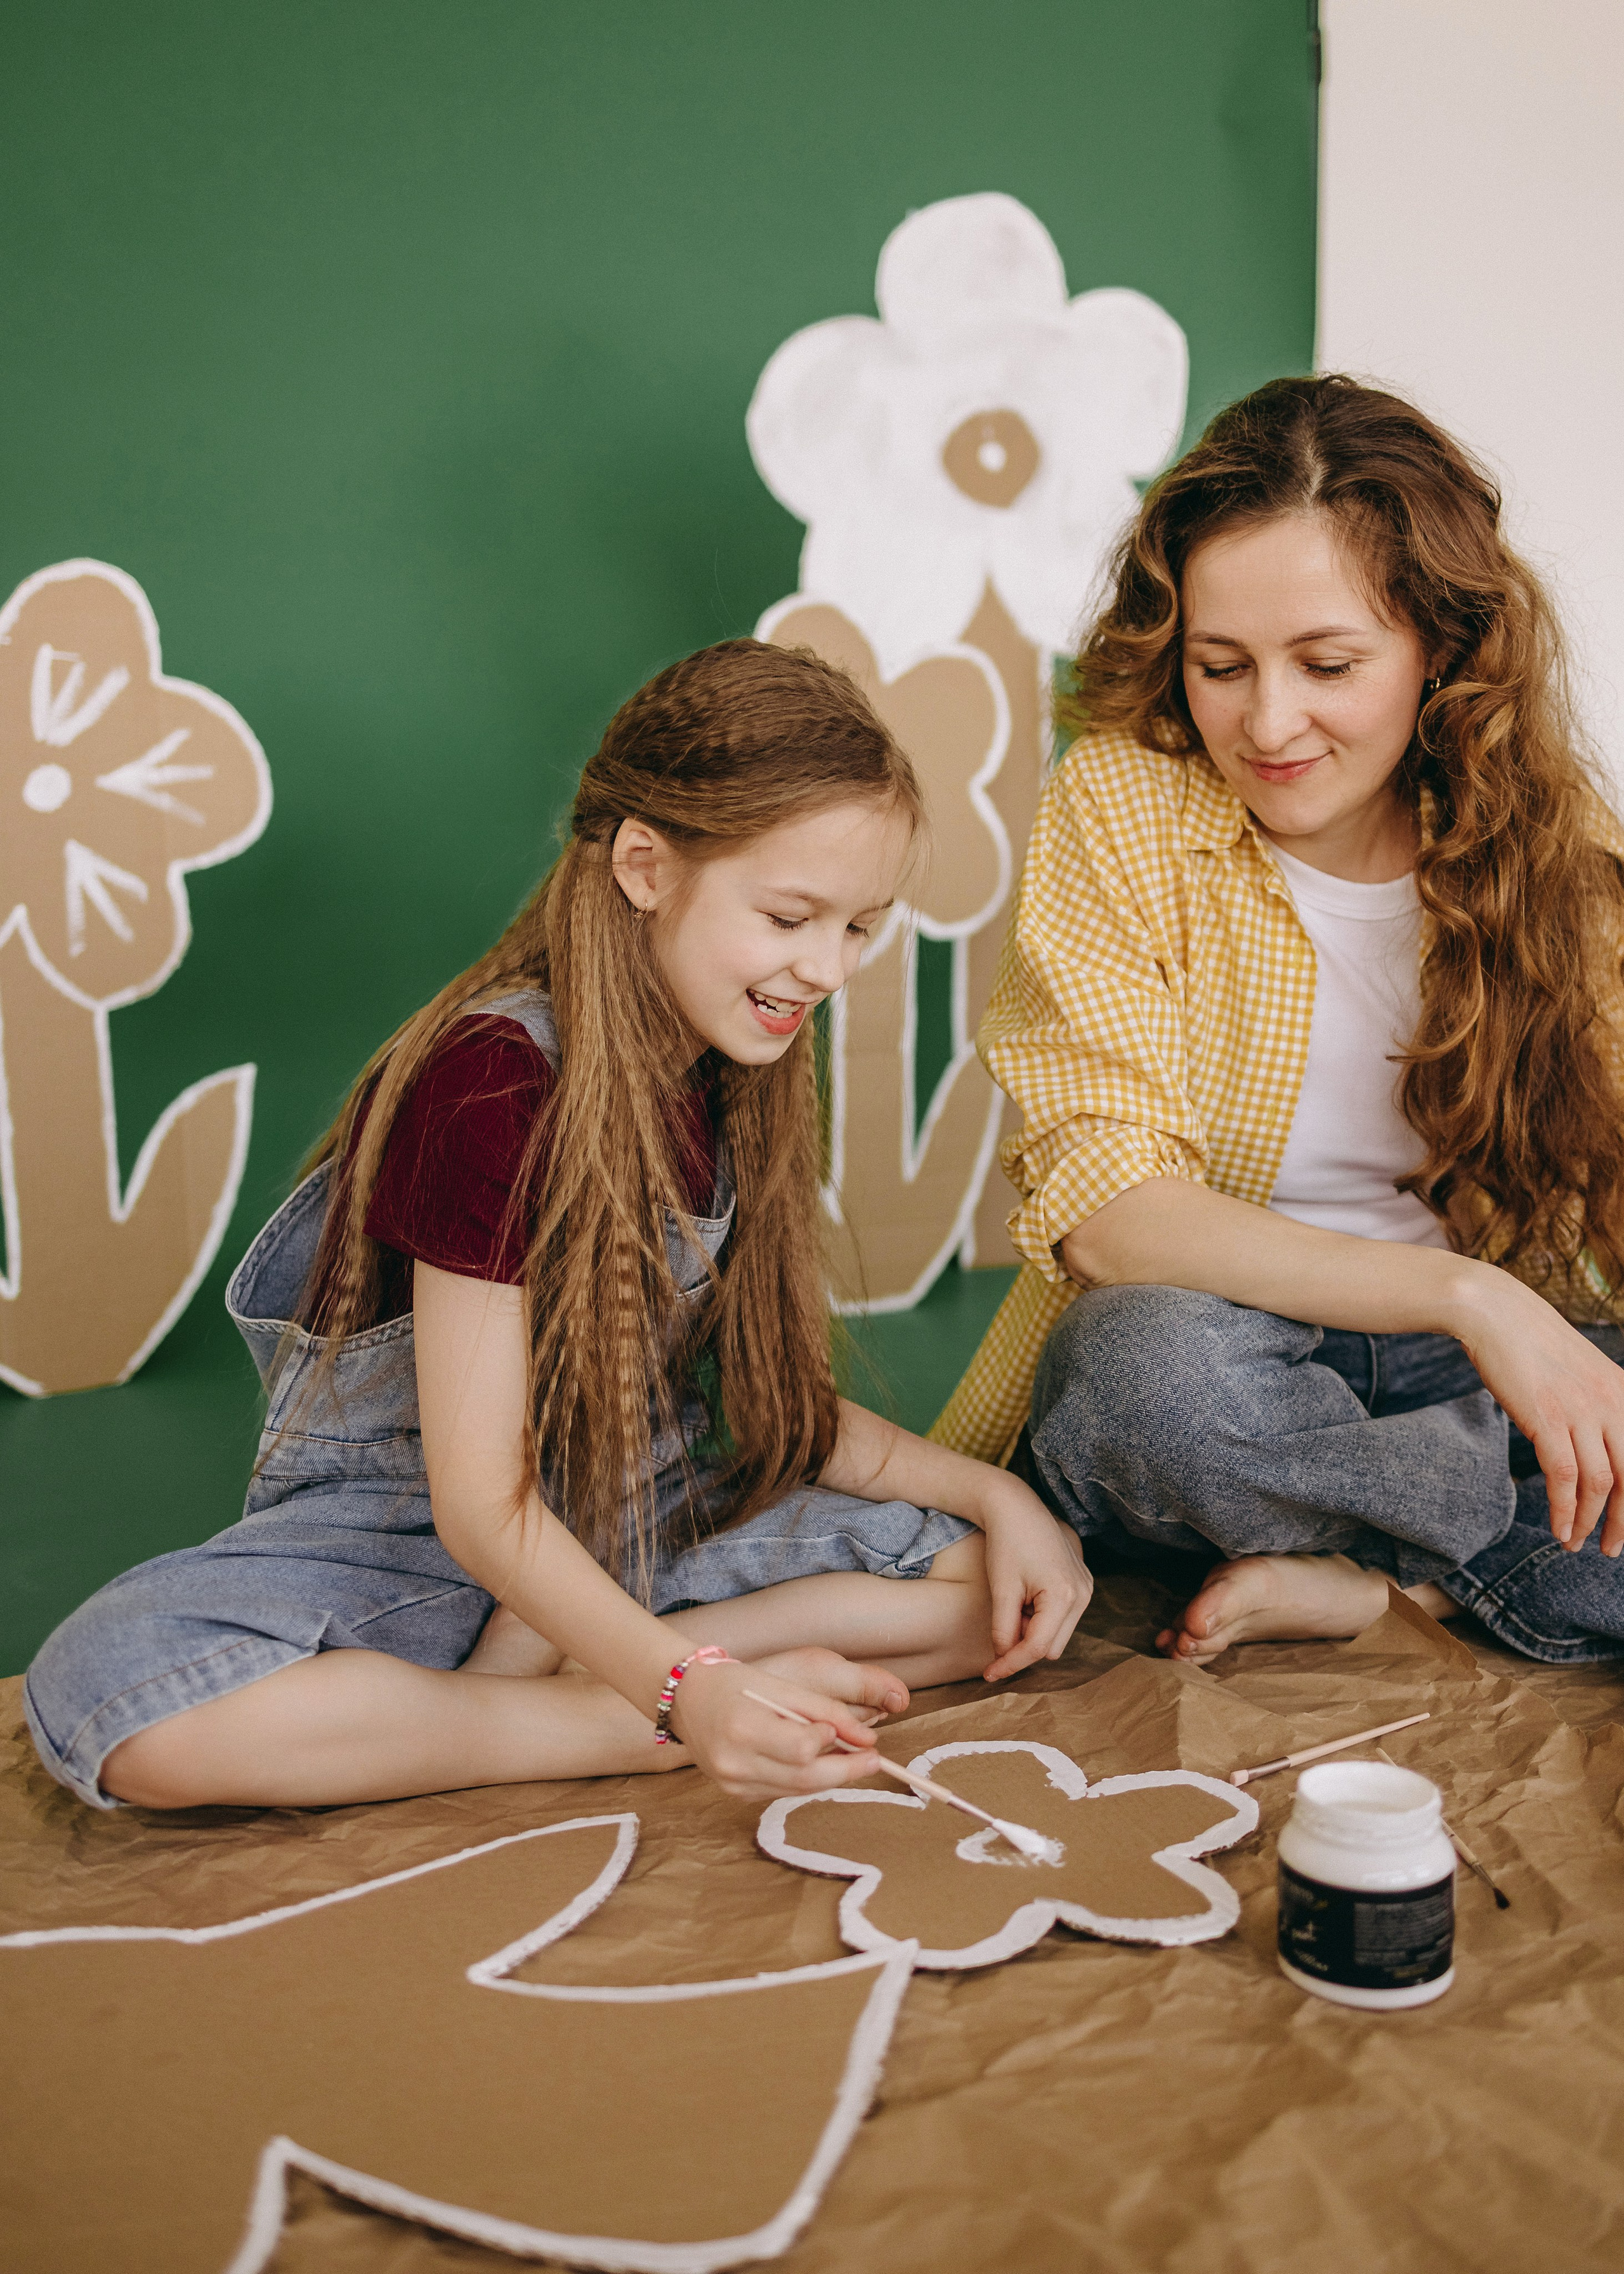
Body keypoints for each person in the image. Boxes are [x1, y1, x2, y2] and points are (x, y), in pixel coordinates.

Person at [26, 640, 1089, 1813]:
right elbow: (483, 1506)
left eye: (859, 929)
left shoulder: (735, 1069)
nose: (825, 968)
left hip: (648, 1503)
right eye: (791, 915)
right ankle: (602, 1714)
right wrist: (682, 1692)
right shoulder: (491, 1083)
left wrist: (1005, 1499)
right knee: (112, 1698)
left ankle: (617, 1672)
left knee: (987, 1591)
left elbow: (777, 1410)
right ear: (644, 863)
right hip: (438, 1532)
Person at [933, 374, 1624, 1667]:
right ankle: (1481, 1559)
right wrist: (1473, 1300)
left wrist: (1532, 1344)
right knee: (1143, 1377)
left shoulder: (1563, 856)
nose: (1266, 720)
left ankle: (1377, 1586)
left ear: (1441, 649)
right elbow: (1111, 1212)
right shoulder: (1119, 808)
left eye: (1326, 664)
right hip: (1224, 1372)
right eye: (1218, 664)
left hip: (1460, 1391)